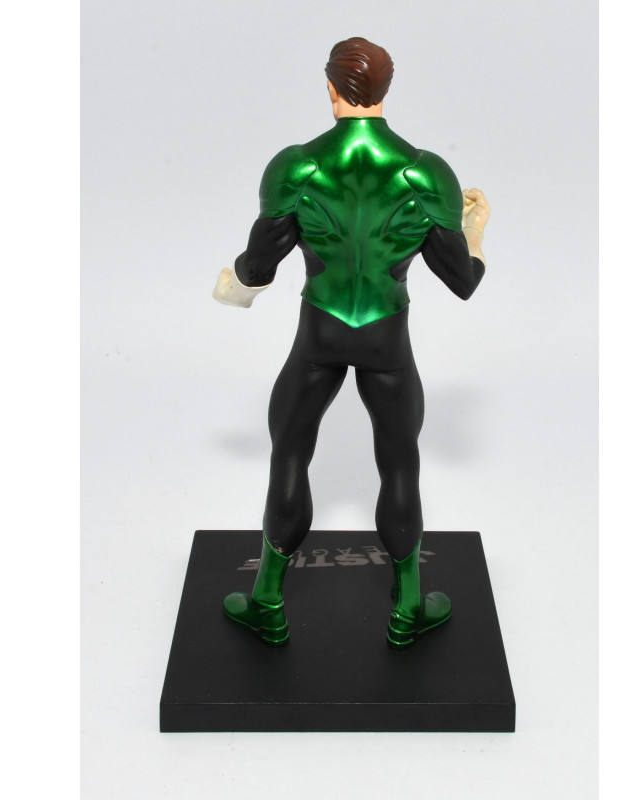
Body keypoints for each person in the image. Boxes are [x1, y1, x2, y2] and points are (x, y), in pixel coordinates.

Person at [213, 37, 490, 648]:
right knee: (401, 464)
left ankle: (267, 600)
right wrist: (474, 230)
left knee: (289, 454)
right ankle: (408, 607)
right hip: (387, 339)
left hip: (320, 332)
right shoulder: (426, 173)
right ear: (386, 90)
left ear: (331, 88)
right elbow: (463, 282)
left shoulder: (297, 167)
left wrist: (233, 284)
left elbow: (257, 268)